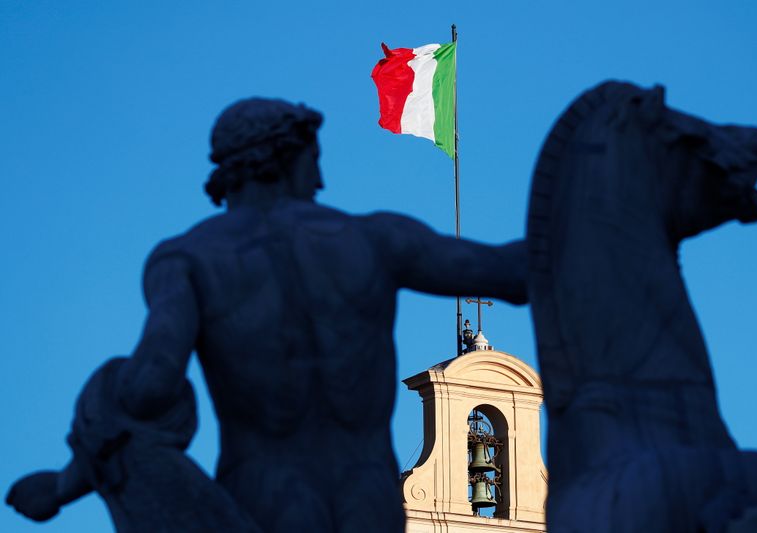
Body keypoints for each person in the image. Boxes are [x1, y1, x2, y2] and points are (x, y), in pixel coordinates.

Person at [7, 98, 528, 532]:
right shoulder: (376, 239)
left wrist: (63, 483)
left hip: (268, 495)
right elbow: (513, 271)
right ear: (289, 157)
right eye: (315, 158)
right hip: (368, 500)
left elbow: (148, 388)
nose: (320, 177)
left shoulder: (188, 260)